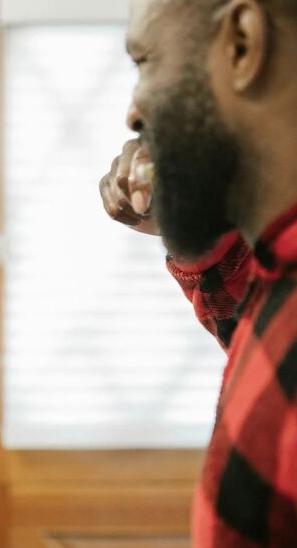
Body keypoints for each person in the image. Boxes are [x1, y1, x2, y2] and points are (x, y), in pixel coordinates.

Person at [99, 0, 297, 545]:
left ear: (241, 44)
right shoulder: (279, 279)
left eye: (146, 60)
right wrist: (194, 240)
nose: (133, 114)